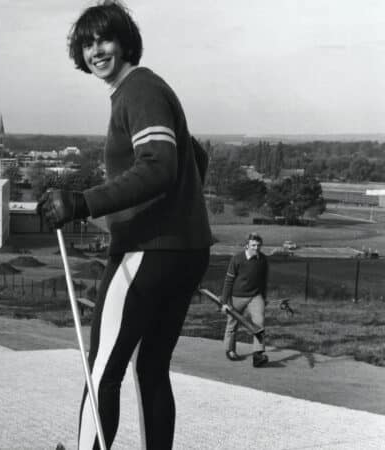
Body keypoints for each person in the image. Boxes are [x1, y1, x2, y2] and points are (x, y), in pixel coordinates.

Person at [36, 2, 212, 448]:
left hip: (147, 251)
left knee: (103, 371)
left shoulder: (138, 89)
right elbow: (195, 157)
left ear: (125, 42)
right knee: (151, 367)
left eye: (105, 40)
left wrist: (82, 202)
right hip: (184, 251)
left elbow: (157, 166)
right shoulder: (145, 92)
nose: (96, 51)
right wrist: (179, 210)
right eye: (87, 44)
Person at [221, 233, 269, 367]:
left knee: (259, 324)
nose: (256, 248)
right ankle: (229, 350)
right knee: (232, 324)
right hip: (237, 296)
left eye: (259, 245)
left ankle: (258, 355)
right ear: (247, 245)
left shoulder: (263, 260)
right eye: (253, 245)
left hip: (256, 296)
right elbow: (228, 280)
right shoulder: (237, 259)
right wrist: (225, 302)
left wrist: (264, 298)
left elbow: (264, 281)